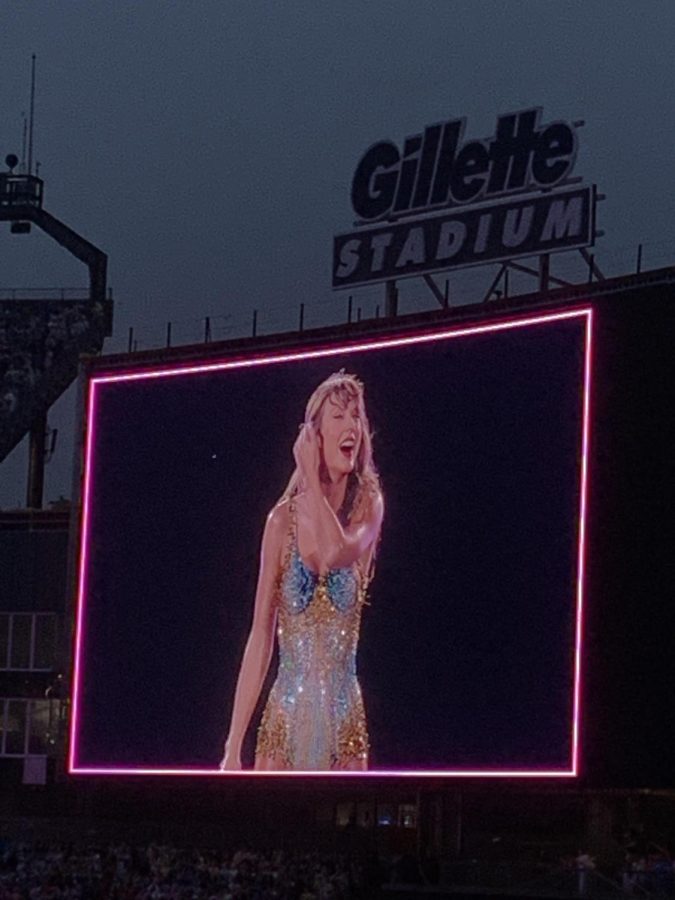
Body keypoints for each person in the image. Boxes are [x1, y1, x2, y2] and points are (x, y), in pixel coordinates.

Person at [220, 371, 384, 771]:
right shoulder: (280, 522)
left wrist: (309, 476)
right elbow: (260, 634)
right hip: (283, 722)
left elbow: (337, 553)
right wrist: (232, 745)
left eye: (357, 417)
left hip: (344, 724)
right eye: (339, 417)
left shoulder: (370, 506)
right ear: (314, 435)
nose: (352, 427)